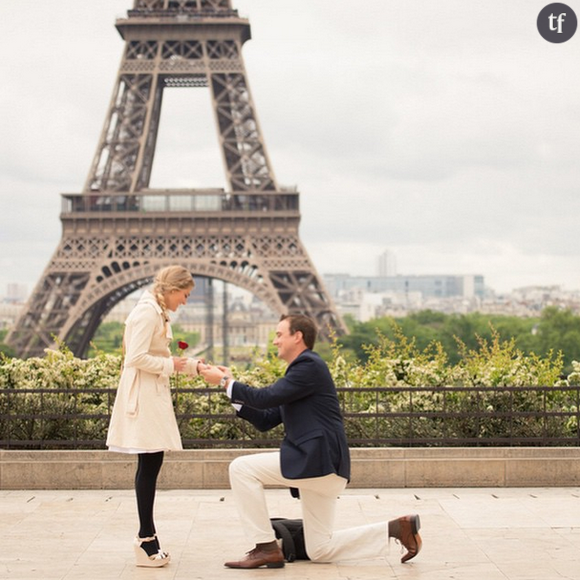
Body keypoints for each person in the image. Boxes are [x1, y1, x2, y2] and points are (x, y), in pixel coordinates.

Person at [200, 314, 422, 569]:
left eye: (279, 334)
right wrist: (228, 389)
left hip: (317, 461)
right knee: (320, 549)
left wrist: (227, 382)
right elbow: (265, 419)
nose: (275, 341)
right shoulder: (301, 373)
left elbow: (265, 397)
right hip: (323, 467)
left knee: (241, 468)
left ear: (298, 336)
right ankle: (398, 528)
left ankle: (265, 547)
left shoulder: (308, 366)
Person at [106, 265, 203, 568]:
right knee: (149, 464)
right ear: (173, 289)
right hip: (145, 397)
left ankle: (148, 536)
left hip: (150, 393)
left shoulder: (154, 309)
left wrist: (191, 366)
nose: (185, 301)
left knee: (150, 463)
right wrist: (172, 366)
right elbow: (135, 357)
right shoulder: (148, 312)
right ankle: (146, 539)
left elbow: (155, 357)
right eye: (185, 295)